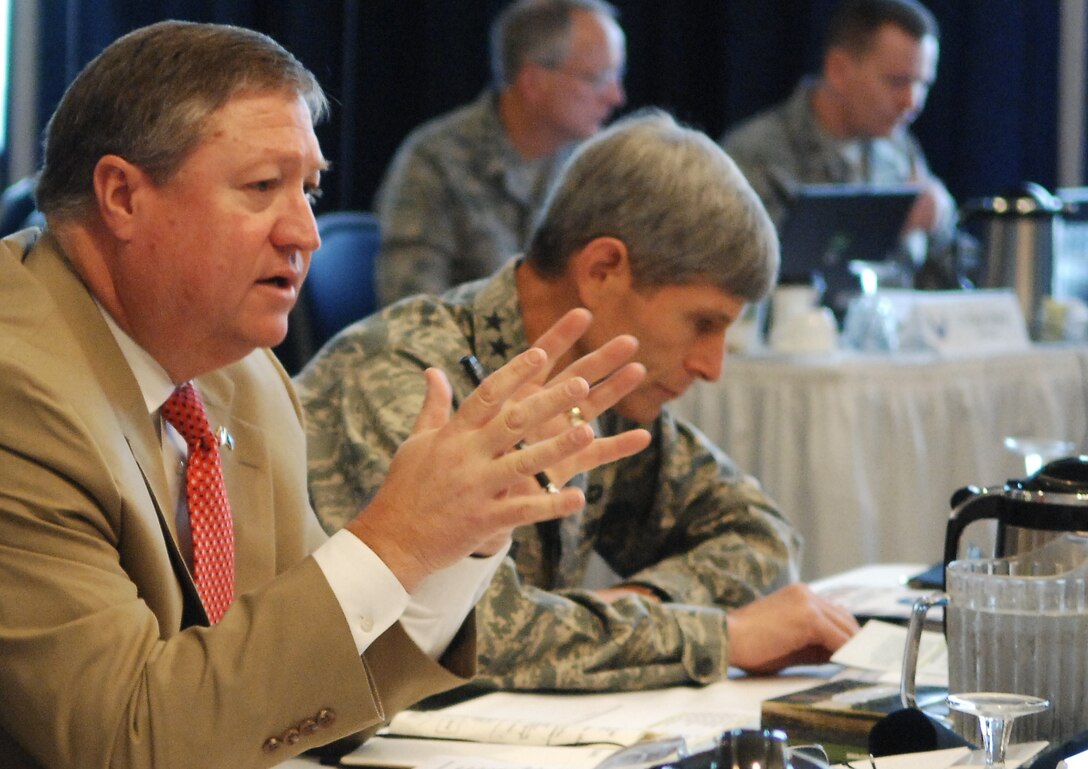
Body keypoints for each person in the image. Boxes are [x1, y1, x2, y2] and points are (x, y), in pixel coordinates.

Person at [0, 20, 652, 768]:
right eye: (261, 187)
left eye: (309, 189)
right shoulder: (16, 389)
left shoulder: (240, 374)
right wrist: (391, 540)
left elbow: (308, 696)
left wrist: (453, 541)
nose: (305, 232)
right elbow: (125, 737)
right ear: (121, 194)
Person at [298, 110, 860, 692]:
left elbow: (762, 535)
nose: (712, 367)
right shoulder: (411, 378)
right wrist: (718, 636)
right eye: (701, 323)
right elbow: (463, 643)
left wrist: (639, 604)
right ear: (602, 269)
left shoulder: (603, 386)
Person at [374, 0, 626, 307]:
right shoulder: (435, 160)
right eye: (597, 78)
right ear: (534, 82)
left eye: (617, 76)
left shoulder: (590, 166)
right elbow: (411, 311)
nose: (616, 96)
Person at [722, 0, 957, 277]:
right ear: (838, 70)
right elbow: (752, 275)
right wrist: (883, 227)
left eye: (922, 84)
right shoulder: (755, 153)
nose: (912, 102)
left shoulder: (898, 148)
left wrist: (941, 222)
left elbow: (943, 274)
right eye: (897, 82)